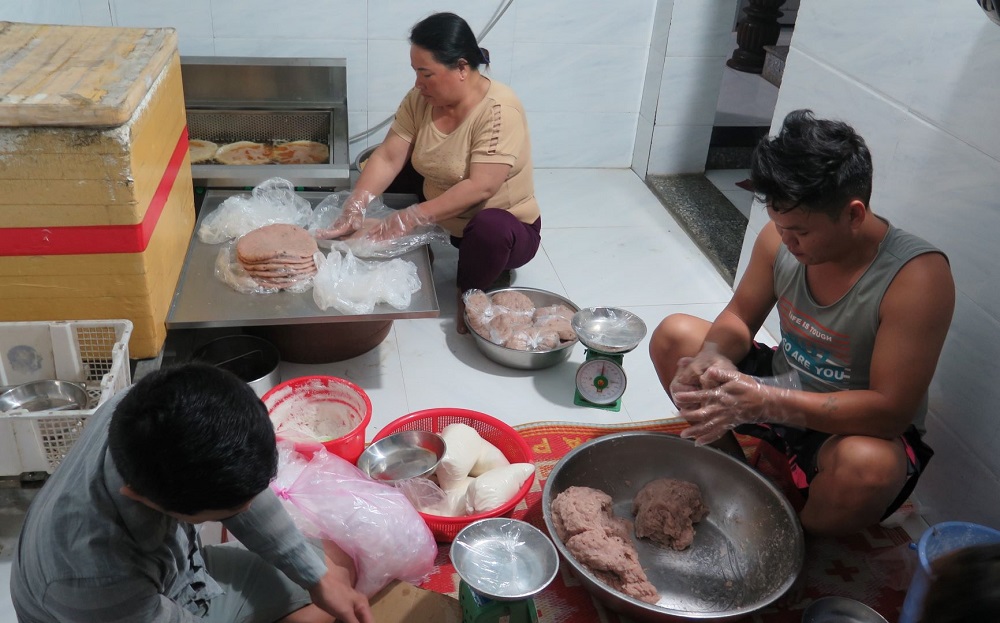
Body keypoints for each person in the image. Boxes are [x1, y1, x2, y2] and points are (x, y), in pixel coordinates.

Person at [649, 109, 955, 536]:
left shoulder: (916, 277)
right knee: (675, 337)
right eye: (779, 226)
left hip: (850, 424)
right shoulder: (782, 237)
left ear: (854, 214)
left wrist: (766, 401)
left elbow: (889, 412)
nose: (788, 241)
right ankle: (733, 474)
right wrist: (715, 354)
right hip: (783, 382)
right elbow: (739, 316)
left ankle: (790, 541)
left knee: (868, 467)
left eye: (801, 232)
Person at [9, 363, 373, 623]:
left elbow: (242, 488)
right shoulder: (92, 578)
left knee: (334, 570)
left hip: (175, 576)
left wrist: (315, 576)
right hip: (120, 611)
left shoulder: (153, 403)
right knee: (317, 613)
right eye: (225, 514)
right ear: (141, 497)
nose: (248, 507)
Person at [316, 12, 541, 332]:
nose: (417, 84)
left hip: (503, 231)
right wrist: (356, 204)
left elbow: (481, 187)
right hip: (445, 213)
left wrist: (409, 218)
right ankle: (426, 246)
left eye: (426, 74)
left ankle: (473, 290)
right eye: (415, 72)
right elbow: (389, 156)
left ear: (461, 68)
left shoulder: (499, 110)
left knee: (490, 229)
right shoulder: (421, 99)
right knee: (389, 168)